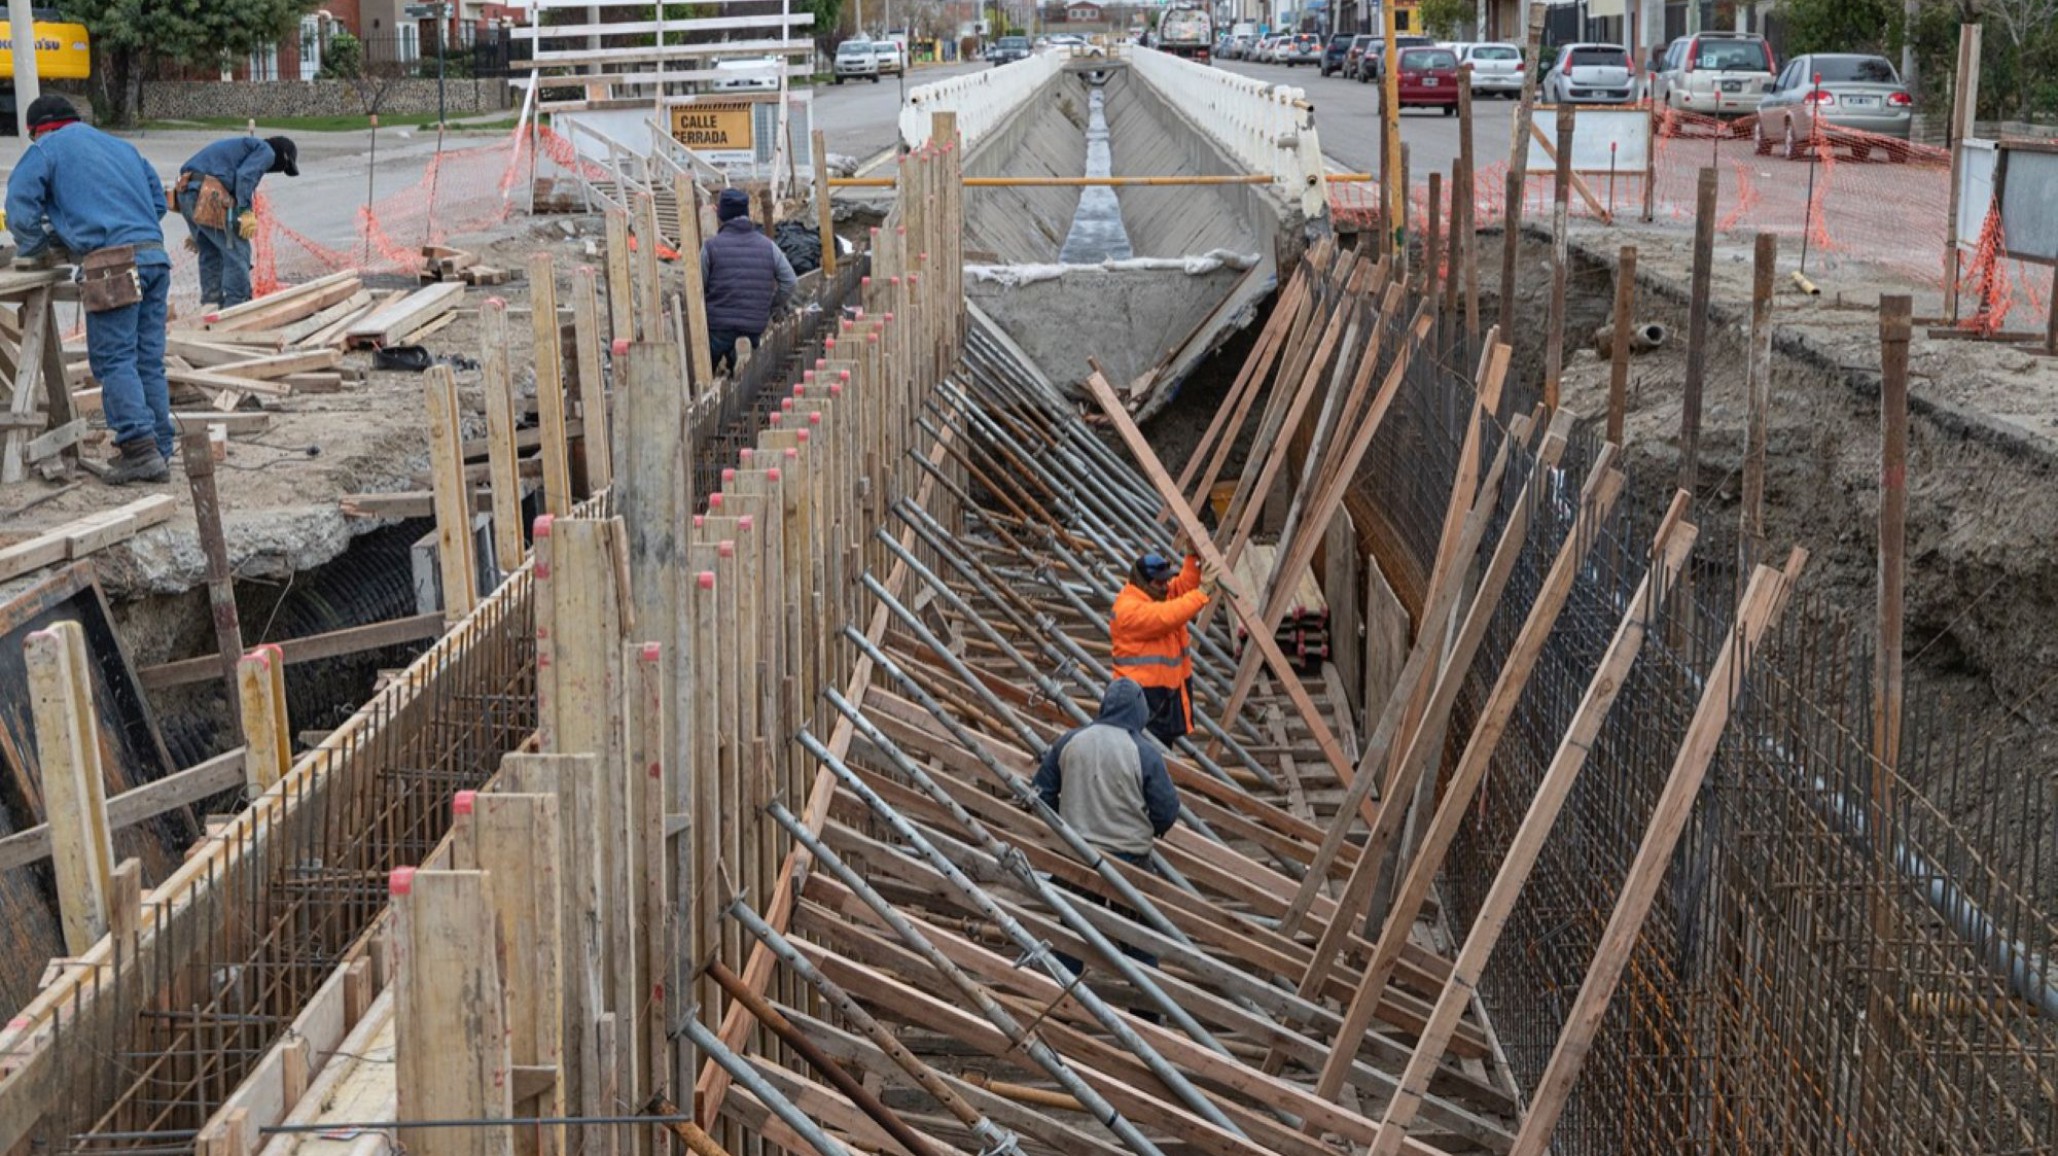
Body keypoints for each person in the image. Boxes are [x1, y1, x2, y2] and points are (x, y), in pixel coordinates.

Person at [5, 95, 175, 484]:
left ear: (37, 130)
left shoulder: (46, 148)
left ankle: (139, 449)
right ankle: (160, 448)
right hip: (154, 257)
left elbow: (19, 204)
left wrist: (35, 247)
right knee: (147, 360)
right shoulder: (120, 146)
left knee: (115, 359)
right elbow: (156, 203)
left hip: (112, 265)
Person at [1033, 677, 1180, 974]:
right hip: (1129, 858)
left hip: (1078, 853)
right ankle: (1145, 1012)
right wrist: (1143, 826)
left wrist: (1068, 822)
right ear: (1139, 711)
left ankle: (1066, 1005)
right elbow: (1166, 810)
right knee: (1141, 937)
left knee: (1073, 930)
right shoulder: (1143, 752)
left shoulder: (1070, 741)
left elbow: (1041, 793)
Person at [1109, 541, 1219, 745]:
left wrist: (1192, 558)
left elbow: (1181, 586)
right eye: (1159, 582)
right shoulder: (1129, 610)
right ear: (1143, 582)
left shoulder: (1154, 594)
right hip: (1142, 698)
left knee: (1159, 754)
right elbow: (1166, 616)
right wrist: (1202, 594)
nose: (1165, 586)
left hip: (1160, 696)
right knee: (1147, 756)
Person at [174, 135, 299, 309]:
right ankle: (237, 306)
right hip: (208, 193)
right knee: (237, 250)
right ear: (283, 156)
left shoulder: (242, 149)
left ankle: (211, 306)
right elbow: (245, 177)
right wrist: (244, 212)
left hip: (186, 191)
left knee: (210, 252)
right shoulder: (267, 151)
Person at [700, 187, 796, 375]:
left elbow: (698, 288)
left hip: (718, 327)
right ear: (747, 214)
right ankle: (740, 361)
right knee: (747, 379)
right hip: (753, 325)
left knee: (706, 372)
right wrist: (771, 306)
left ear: (722, 216)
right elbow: (790, 282)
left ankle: (713, 378)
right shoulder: (768, 246)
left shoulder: (711, 247)